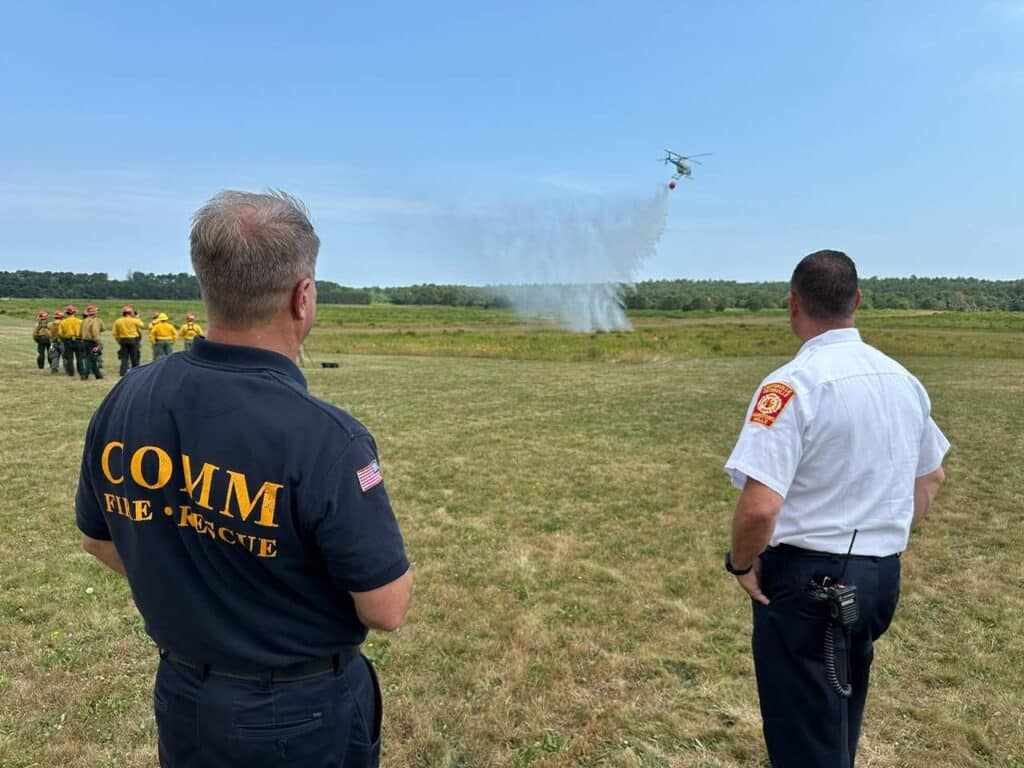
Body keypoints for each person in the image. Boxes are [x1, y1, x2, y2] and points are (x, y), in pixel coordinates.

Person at [76, 190, 411, 768]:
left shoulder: (129, 398)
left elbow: (98, 538)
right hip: (301, 714)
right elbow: (386, 608)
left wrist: (197, 592)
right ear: (302, 297)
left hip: (186, 697)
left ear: (207, 287)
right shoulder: (328, 438)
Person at [723, 250, 949, 767]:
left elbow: (759, 508)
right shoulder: (902, 380)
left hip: (809, 584)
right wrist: (879, 537)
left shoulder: (791, 385)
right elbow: (932, 474)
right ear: (858, 302)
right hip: (877, 579)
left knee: (805, 740)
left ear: (793, 304)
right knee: (838, 718)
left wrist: (740, 563)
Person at [112, 305, 144, 375]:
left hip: (123, 340)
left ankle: (123, 372)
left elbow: (114, 333)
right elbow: (142, 325)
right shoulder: (134, 320)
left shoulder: (118, 321)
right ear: (130, 313)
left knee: (124, 357)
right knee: (134, 356)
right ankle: (136, 371)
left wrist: (119, 340)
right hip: (133, 340)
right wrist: (137, 318)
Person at [58, 304, 85, 378]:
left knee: (69, 358)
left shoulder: (63, 322)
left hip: (67, 340)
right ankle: (81, 372)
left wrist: (64, 339)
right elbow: (83, 331)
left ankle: (71, 373)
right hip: (78, 340)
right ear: (74, 312)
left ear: (66, 313)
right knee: (79, 357)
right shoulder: (80, 321)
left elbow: (60, 333)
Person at [80, 305, 105, 380]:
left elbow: (80, 332)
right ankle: (85, 374)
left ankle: (98, 375)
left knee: (92, 359)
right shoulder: (95, 321)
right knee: (91, 359)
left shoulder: (84, 320)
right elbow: (95, 332)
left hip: (84, 341)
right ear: (95, 313)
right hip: (92, 342)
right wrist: (98, 342)